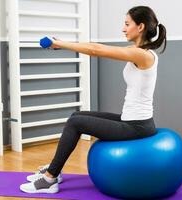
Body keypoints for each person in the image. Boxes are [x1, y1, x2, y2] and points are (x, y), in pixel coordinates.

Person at [20, 5, 167, 194]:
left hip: (138, 126)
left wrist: (60, 43)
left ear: (140, 27)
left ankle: (50, 178)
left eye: (127, 24)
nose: (123, 28)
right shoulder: (137, 51)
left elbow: (96, 49)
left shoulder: (141, 54)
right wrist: (60, 44)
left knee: (76, 123)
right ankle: (54, 169)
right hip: (130, 119)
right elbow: (96, 49)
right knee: (77, 115)